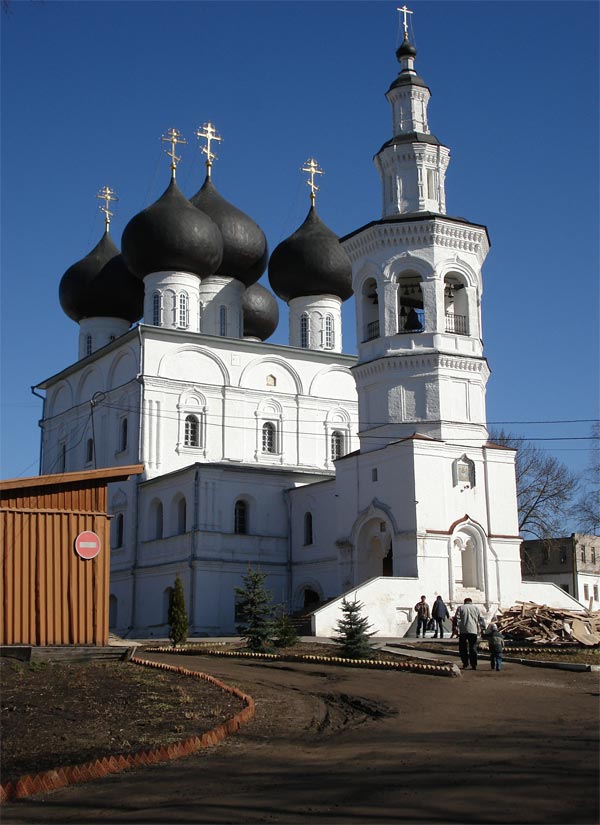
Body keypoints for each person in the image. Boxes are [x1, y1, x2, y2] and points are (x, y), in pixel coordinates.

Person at [454, 597, 486, 669]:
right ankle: (474, 664)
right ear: (471, 602)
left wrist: (455, 628)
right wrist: (483, 628)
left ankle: (465, 663)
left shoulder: (460, 608)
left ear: (464, 602)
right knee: (473, 647)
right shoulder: (476, 608)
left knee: (463, 648)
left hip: (463, 631)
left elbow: (456, 618)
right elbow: (481, 619)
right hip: (473, 630)